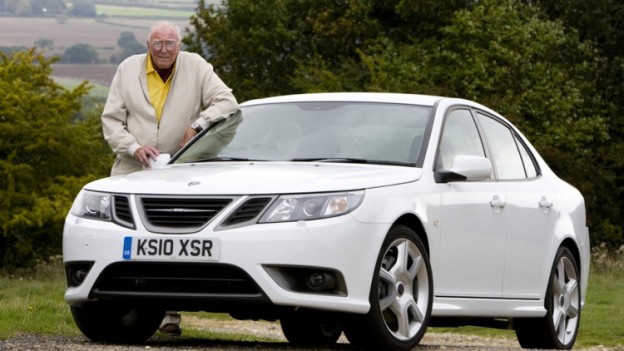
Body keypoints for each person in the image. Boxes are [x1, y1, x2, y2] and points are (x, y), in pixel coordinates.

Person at [101, 20, 239, 335]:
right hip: (132, 168)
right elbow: (111, 120)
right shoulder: (127, 69)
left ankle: (170, 315)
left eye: (170, 43)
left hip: (181, 169)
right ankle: (122, 308)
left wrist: (199, 126)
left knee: (173, 238)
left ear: (179, 44)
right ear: (148, 44)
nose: (164, 50)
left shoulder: (196, 66)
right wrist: (133, 148)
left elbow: (227, 102)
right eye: (158, 43)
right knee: (130, 239)